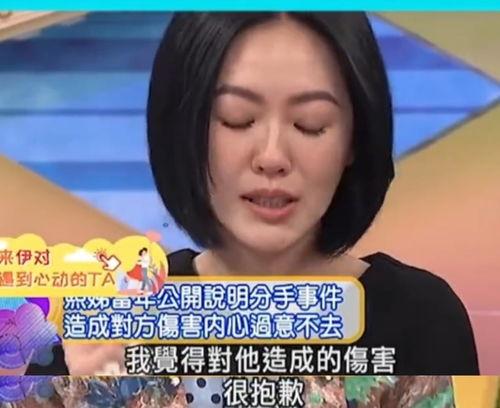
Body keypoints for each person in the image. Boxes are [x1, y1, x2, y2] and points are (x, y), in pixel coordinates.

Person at [26, 12, 478, 376]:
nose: (272, 157)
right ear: (185, 130)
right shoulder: (105, 325)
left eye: (310, 124)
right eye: (237, 118)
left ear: (354, 141)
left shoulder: (423, 320)